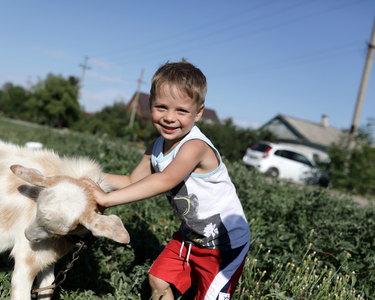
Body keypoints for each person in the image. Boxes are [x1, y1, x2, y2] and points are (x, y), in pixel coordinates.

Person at [86, 59, 251, 300]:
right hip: (191, 237)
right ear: (150, 103)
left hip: (223, 245)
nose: (169, 117)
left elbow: (166, 180)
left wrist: (107, 199)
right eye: (161, 107)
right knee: (158, 281)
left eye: (181, 110)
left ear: (199, 112)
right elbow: (132, 179)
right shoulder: (156, 146)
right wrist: (88, 177)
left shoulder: (195, 146)